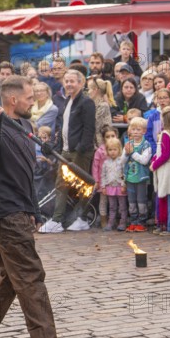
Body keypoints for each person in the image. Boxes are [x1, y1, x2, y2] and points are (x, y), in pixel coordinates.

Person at [0, 75, 81, 338]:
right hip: (6, 213)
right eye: (30, 98)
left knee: (10, 278)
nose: (34, 102)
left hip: (20, 210)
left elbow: (27, 174)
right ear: (13, 100)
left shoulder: (26, 127)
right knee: (31, 276)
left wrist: (35, 210)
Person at [39, 69, 96, 233]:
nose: (69, 84)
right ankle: (57, 220)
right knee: (61, 185)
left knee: (82, 186)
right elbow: (62, 128)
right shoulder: (66, 101)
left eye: (72, 81)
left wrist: (79, 150)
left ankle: (82, 218)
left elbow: (89, 130)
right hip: (65, 151)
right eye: (67, 81)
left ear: (81, 83)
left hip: (79, 153)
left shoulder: (87, 102)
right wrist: (56, 147)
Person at [150, 106, 170, 236]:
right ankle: (165, 224)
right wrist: (155, 159)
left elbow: (165, 155)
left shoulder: (165, 134)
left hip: (168, 170)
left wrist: (154, 165)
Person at [123, 117, 151, 232]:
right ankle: (133, 221)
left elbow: (144, 160)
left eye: (138, 129)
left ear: (144, 131)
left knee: (141, 201)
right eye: (133, 129)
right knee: (132, 202)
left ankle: (142, 221)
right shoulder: (128, 144)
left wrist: (132, 153)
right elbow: (122, 160)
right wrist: (126, 154)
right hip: (130, 178)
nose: (135, 132)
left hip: (141, 178)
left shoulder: (146, 145)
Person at [101, 137, 128, 231]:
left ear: (119, 149)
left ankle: (123, 222)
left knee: (122, 206)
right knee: (112, 206)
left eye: (115, 149)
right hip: (110, 187)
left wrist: (124, 184)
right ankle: (110, 223)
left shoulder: (121, 161)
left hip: (120, 187)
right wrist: (103, 186)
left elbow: (124, 173)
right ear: (107, 151)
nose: (112, 152)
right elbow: (103, 175)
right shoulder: (106, 163)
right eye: (110, 150)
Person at [87, 78, 113, 148]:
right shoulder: (92, 104)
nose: (88, 92)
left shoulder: (103, 106)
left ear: (95, 90)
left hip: (100, 143)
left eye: (89, 89)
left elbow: (95, 124)